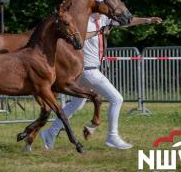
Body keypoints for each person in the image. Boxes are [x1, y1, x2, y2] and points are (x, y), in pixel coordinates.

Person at [40, 13, 162, 150]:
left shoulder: (103, 19)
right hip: (88, 70)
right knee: (117, 99)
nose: (103, 10)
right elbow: (79, 37)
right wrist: (99, 31)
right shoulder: (83, 20)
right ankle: (112, 137)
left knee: (77, 103)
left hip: (87, 70)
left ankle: (50, 132)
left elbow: (125, 21)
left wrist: (147, 20)